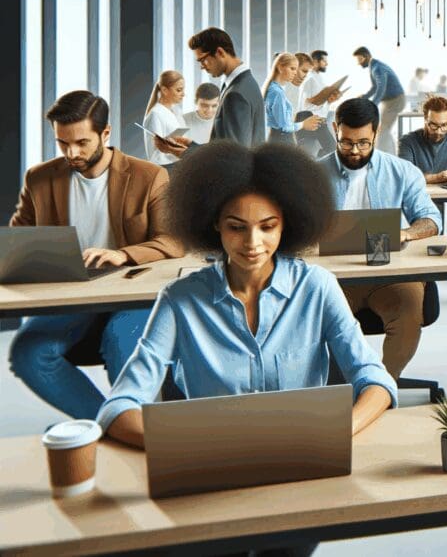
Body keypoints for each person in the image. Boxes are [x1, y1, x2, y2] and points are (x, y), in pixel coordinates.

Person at [97, 140, 396, 449]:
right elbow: (120, 405)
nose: (253, 243)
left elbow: (376, 380)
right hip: (213, 464)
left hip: (304, 456)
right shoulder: (179, 300)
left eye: (267, 227)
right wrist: (185, 446)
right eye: (237, 228)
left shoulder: (317, 287)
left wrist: (337, 432)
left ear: (286, 223)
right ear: (215, 224)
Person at [10, 91, 182, 421]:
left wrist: (123, 255)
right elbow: (18, 238)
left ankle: (137, 428)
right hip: (71, 294)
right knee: (28, 354)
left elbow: (173, 241)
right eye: (62, 143)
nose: (71, 153)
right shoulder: (40, 178)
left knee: (123, 343)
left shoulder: (149, 176)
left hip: (131, 295)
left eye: (82, 143)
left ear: (105, 134)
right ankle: (112, 426)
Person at [321, 99, 443, 379]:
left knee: (408, 315)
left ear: (376, 133)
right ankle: (341, 389)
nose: (354, 150)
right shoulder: (313, 175)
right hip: (334, 276)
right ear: (334, 130)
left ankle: (384, 385)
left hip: (391, 272)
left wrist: (407, 233)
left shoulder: (403, 171)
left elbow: (431, 219)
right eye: (346, 142)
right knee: (324, 322)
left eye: (363, 142)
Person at [157, 27, 264, 156]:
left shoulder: (236, 93)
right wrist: (190, 145)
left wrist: (183, 153)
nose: (202, 66)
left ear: (219, 52)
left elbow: (234, 157)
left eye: (202, 60)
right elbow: (224, 146)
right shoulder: (244, 83)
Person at [397, 95, 447, 185]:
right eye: (434, 125)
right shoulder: (407, 142)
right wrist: (437, 177)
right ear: (425, 119)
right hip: (416, 197)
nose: (439, 132)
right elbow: (405, 177)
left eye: (444, 125)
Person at [355, 46, 407, 155]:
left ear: (367, 56)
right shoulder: (373, 67)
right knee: (383, 129)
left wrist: (373, 105)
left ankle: (385, 155)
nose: (358, 63)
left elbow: (381, 88)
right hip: (389, 101)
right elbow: (375, 87)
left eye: (360, 59)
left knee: (383, 130)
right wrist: (364, 97)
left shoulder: (377, 68)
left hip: (395, 101)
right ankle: (389, 154)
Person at [264, 52, 324, 145]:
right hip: (281, 143)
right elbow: (283, 127)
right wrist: (304, 124)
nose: (294, 73)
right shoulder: (277, 92)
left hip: (282, 140)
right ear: (280, 68)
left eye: (295, 69)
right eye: (292, 69)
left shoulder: (275, 88)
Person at [293, 51, 340, 157]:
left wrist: (329, 101)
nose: (326, 64)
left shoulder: (317, 79)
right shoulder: (310, 78)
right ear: (315, 61)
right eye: (324, 61)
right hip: (309, 117)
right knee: (332, 149)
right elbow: (308, 103)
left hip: (313, 117)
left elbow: (318, 103)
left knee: (309, 153)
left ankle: (318, 160)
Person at [141, 70, 185, 165]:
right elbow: (156, 154)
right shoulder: (155, 114)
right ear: (164, 90)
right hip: (165, 169)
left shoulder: (176, 112)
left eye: (183, 90)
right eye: (179, 90)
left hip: (178, 166)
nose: (183, 94)